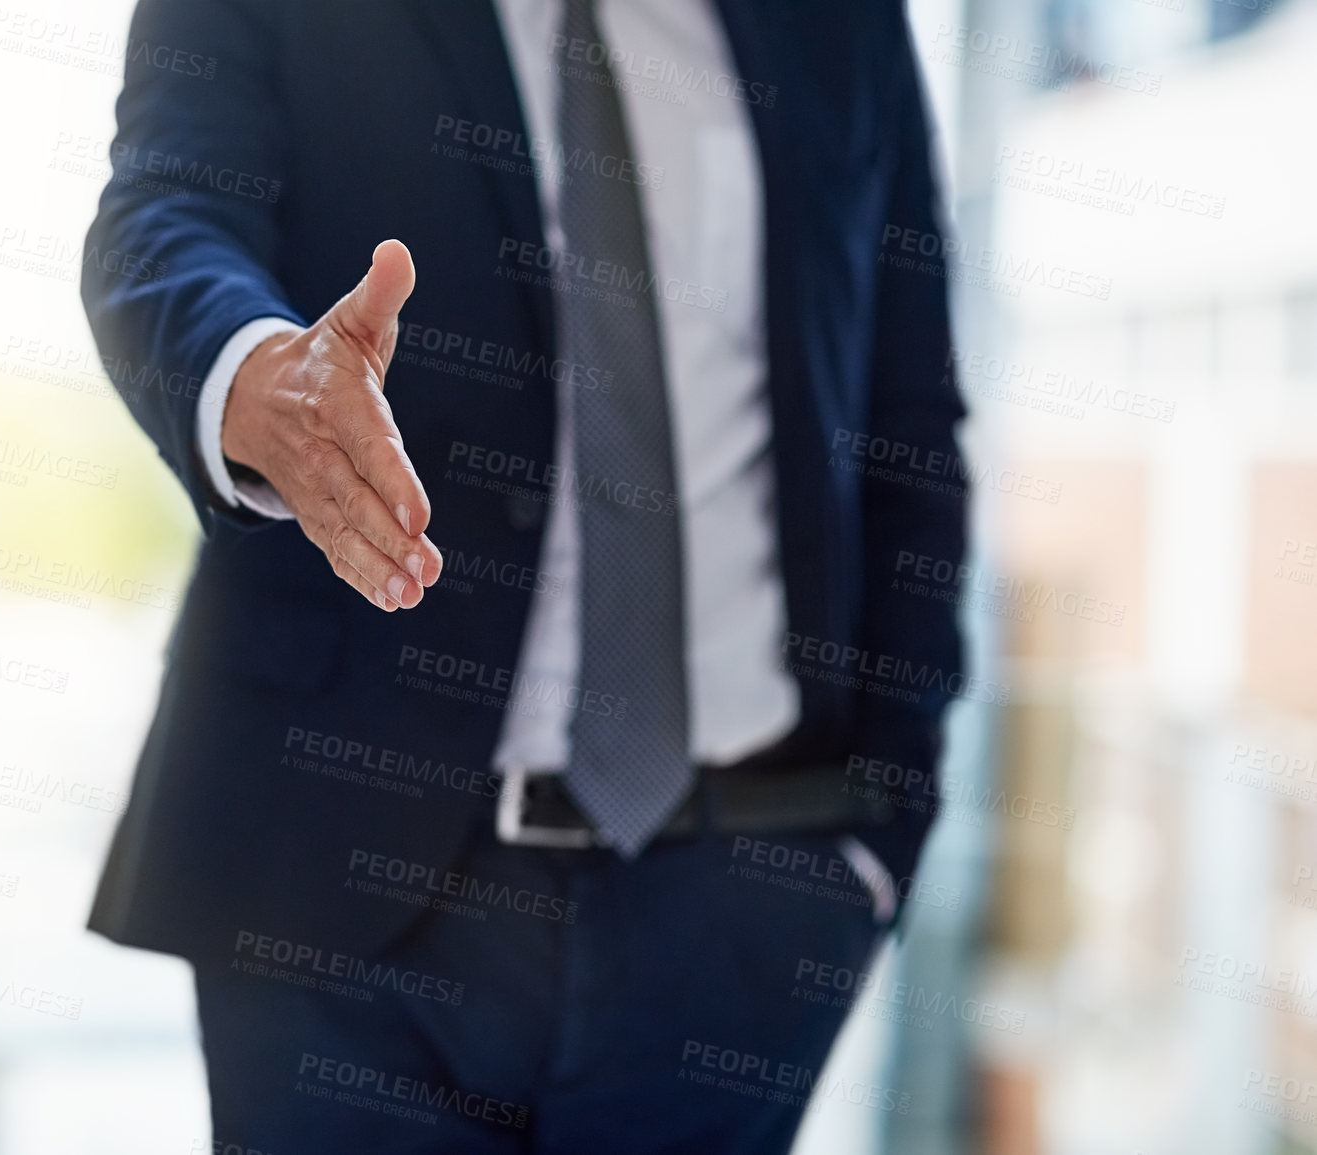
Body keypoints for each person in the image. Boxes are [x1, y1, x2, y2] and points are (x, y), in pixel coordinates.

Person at [80, 0, 967, 1150]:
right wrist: (254, 375)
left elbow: (911, 421)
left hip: (743, 905)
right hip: (342, 909)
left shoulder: (837, 26)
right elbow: (164, 213)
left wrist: (871, 851)